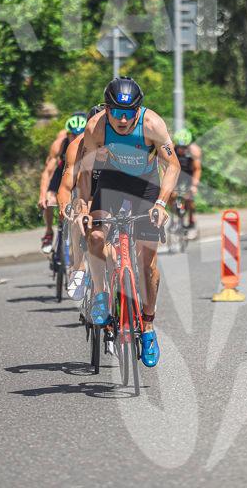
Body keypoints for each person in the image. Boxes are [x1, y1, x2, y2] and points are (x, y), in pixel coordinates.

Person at [75, 77, 180, 368]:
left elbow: (172, 165)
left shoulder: (152, 125)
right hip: (112, 181)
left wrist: (161, 203)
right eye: (116, 112)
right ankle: (100, 295)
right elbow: (86, 170)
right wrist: (83, 204)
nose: (122, 120)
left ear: (138, 110)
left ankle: (147, 326)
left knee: (148, 263)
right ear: (107, 109)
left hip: (145, 185)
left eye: (129, 112)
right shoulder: (96, 127)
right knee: (96, 237)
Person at [57, 106, 107, 300]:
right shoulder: (76, 146)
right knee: (77, 215)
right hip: (86, 189)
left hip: (112, 190)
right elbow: (66, 185)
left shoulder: (121, 142)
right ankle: (78, 268)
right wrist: (64, 206)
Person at [38, 112, 86, 253]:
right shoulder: (59, 144)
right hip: (62, 172)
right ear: (68, 134)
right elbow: (47, 172)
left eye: (80, 135)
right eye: (73, 135)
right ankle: (49, 232)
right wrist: (42, 196)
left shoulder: (91, 143)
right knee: (49, 200)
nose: (76, 138)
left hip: (80, 173)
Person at [171, 128, 202, 239]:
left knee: (189, 198)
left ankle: (192, 221)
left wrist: (194, 186)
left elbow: (197, 169)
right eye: (179, 147)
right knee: (170, 194)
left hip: (189, 174)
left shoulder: (195, 151)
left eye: (184, 147)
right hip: (177, 173)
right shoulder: (171, 149)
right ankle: (176, 216)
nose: (181, 149)